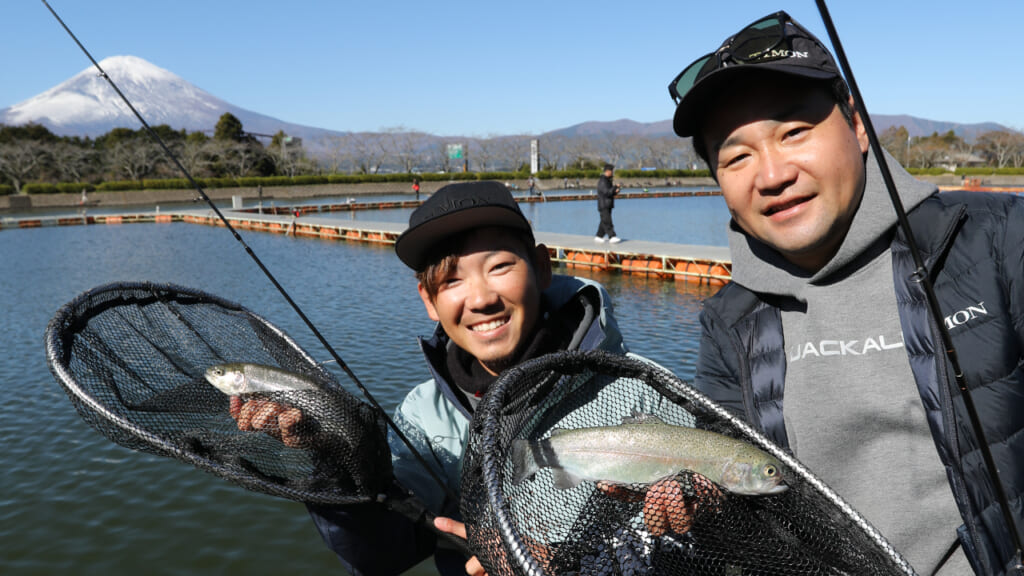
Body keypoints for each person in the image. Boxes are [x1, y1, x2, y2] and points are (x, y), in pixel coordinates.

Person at [668, 10, 1024, 575]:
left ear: (858, 126)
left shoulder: (999, 239)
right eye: (736, 156)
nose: (772, 174)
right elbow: (734, 496)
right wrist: (689, 502)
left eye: (794, 132)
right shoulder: (727, 320)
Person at [232, 181, 661, 575]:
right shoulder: (423, 416)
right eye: (451, 279)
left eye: (499, 266)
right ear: (429, 301)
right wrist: (331, 459)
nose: (481, 299)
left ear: (542, 267)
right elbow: (379, 553)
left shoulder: (645, 390)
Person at [594, 163, 621, 243]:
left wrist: (615, 191)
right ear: (608, 171)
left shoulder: (607, 180)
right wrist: (615, 187)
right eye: (612, 171)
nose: (613, 173)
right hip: (604, 205)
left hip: (608, 204)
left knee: (604, 221)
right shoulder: (603, 181)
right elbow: (606, 192)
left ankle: (599, 236)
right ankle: (612, 236)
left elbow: (610, 192)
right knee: (607, 221)